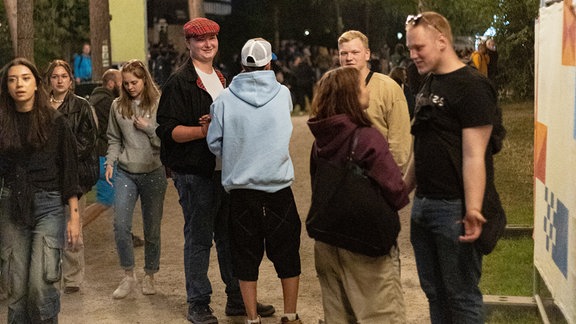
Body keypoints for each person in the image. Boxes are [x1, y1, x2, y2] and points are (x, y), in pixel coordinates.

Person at [156, 18, 274, 323]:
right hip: (195, 173)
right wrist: (201, 131)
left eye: (211, 39)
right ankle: (198, 302)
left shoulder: (223, 78)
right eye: (200, 40)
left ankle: (237, 299)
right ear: (188, 44)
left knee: (229, 238)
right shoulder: (178, 82)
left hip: (225, 172)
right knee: (198, 239)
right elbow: (167, 132)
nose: (207, 44)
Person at [404, 11, 500, 323]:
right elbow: (423, 145)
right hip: (424, 207)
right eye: (409, 48)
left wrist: (472, 209)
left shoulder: (473, 87)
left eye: (419, 48)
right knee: (435, 293)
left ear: (442, 41)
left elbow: (475, 155)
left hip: (454, 210)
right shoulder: (428, 81)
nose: (413, 54)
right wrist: (402, 191)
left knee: (461, 297)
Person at [207, 38, 302, 324]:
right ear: (268, 63)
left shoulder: (223, 99)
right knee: (287, 252)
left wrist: (237, 150)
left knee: (244, 255)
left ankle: (251, 318)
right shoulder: (283, 94)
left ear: (241, 65)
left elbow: (214, 142)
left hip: (241, 191)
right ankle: (290, 314)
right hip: (278, 187)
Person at [307, 66, 409, 323]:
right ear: (350, 95)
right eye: (362, 86)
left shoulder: (319, 141)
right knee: (381, 316)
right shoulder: (366, 137)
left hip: (327, 241)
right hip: (365, 244)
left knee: (338, 316)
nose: (368, 90)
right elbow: (395, 191)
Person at [0, 58, 81, 323]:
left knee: (40, 282)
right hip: (12, 205)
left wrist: (75, 217)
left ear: (37, 84)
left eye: (25, 78)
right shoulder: (2, 123)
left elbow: (69, 170)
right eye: (12, 79)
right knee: (16, 284)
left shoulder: (55, 122)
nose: (18, 84)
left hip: (49, 205)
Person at [105, 59, 168, 299]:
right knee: (121, 225)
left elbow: (167, 141)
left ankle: (150, 274)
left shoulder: (158, 103)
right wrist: (110, 162)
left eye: (135, 82)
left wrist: (149, 128)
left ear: (145, 80)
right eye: (127, 83)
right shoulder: (117, 106)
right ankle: (128, 275)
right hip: (125, 171)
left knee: (152, 228)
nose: (130, 87)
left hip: (153, 170)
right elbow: (114, 139)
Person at [45, 59, 98, 294]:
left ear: (70, 80)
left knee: (72, 227)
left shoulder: (81, 106)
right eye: (55, 76)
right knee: (47, 229)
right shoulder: (40, 106)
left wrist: (59, 154)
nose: (59, 80)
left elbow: (88, 141)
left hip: (73, 175)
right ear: (49, 80)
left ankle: (73, 278)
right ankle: (49, 274)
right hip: (45, 177)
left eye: (63, 76)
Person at [338, 30, 412, 173]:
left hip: (378, 174)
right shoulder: (335, 89)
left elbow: (399, 141)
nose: (349, 58)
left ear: (367, 54)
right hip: (343, 177)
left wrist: (389, 174)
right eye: (344, 53)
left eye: (355, 52)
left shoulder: (388, 88)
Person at [84, 69, 122, 226]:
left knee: (116, 194)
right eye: (121, 83)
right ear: (111, 83)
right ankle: (71, 231)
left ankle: (124, 232)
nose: (124, 86)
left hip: (97, 154)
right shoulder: (107, 103)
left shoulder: (94, 99)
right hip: (102, 155)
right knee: (106, 198)